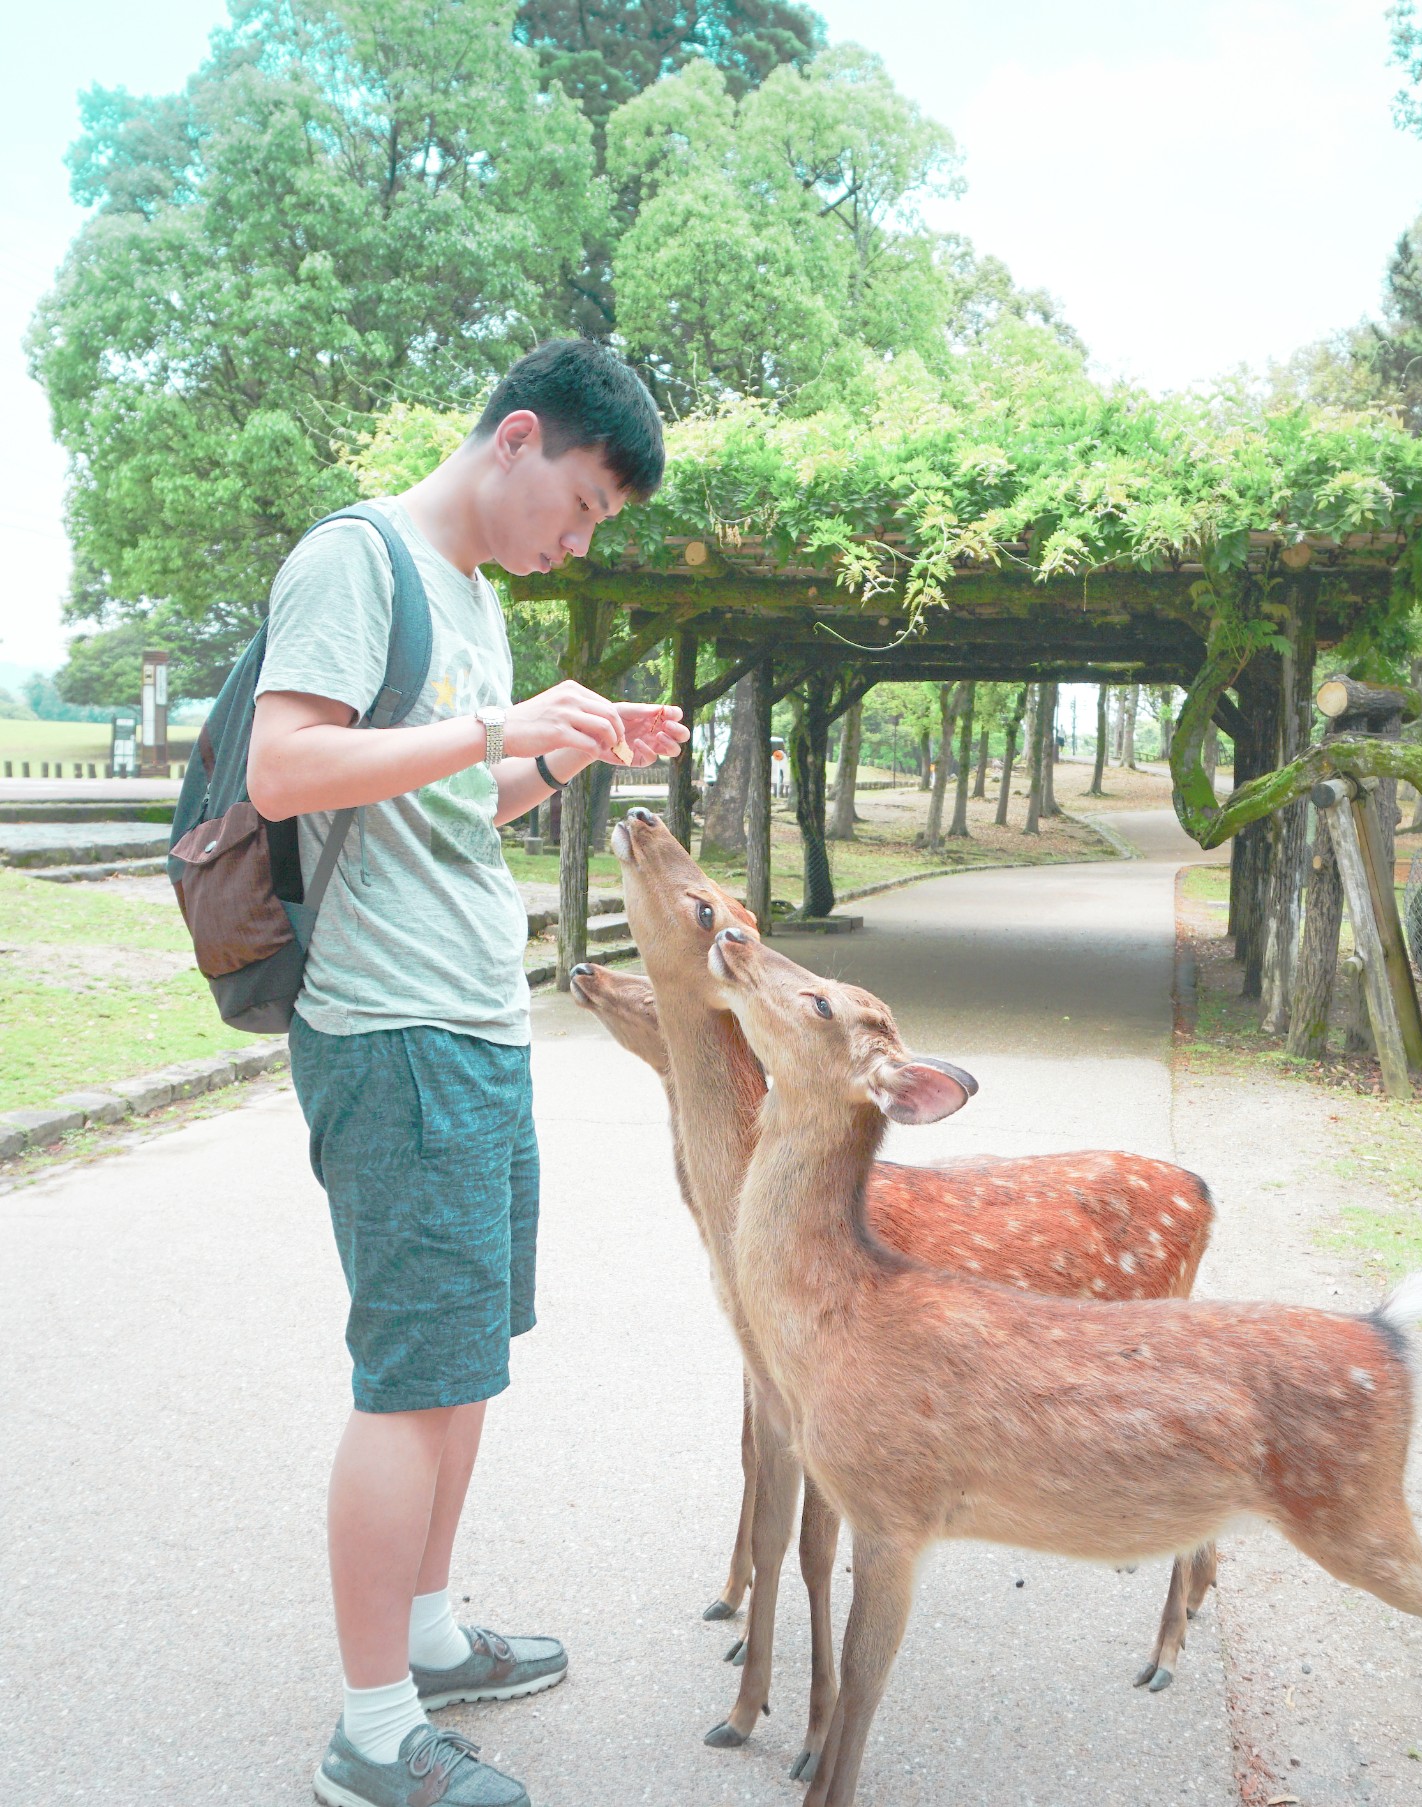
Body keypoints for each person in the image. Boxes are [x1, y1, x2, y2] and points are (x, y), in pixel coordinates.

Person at [246, 340, 685, 1807]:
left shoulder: (480, 603)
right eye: (579, 505)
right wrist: (501, 722)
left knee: (465, 1361)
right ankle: (371, 1734)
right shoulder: (357, 559)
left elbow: (446, 801)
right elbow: (287, 770)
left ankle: (429, 1638)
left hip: (477, 1020)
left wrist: (561, 752)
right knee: (407, 1377)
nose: (576, 540)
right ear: (514, 440)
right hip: (391, 1027)